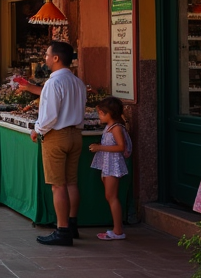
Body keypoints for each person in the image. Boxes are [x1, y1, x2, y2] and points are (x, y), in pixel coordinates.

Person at [30, 41, 87, 246]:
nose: (45, 58)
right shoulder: (77, 82)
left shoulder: (54, 83)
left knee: (58, 185)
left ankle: (62, 229)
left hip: (57, 135)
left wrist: (37, 130)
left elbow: (50, 115)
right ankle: (72, 225)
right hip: (75, 135)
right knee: (71, 181)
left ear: (56, 58)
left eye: (47, 55)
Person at [88, 96, 132, 240]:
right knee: (110, 196)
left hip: (113, 165)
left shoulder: (116, 129)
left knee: (112, 197)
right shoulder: (109, 127)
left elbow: (121, 147)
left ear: (109, 114)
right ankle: (116, 229)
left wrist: (99, 147)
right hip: (108, 165)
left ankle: (118, 230)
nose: (99, 116)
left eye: (101, 113)